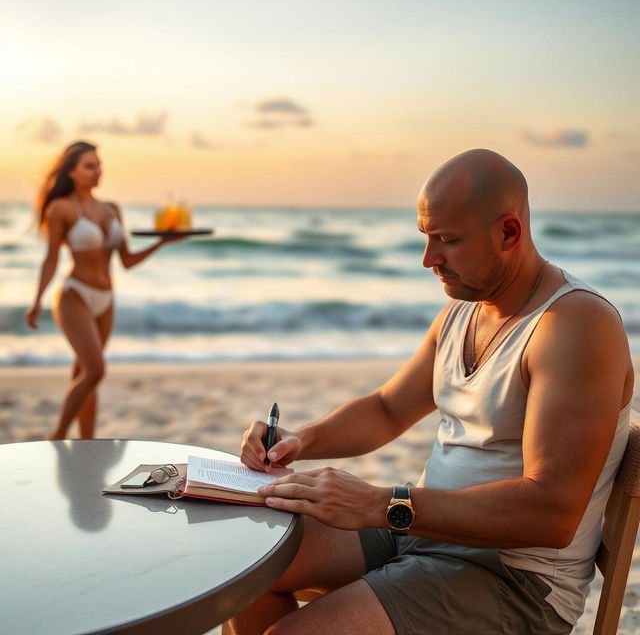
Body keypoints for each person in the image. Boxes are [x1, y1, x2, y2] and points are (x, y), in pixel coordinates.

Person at [230, 149, 634, 635]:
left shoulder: (573, 325)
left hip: (510, 579)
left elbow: (551, 512)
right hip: (421, 529)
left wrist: (382, 503)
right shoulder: (463, 310)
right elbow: (385, 409)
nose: (428, 260)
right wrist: (301, 440)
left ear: (509, 232)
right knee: (244, 567)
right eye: (426, 238)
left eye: (447, 240)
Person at [26, 141, 185, 440]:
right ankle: (57, 435)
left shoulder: (112, 208)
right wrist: (36, 301)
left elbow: (126, 260)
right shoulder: (60, 208)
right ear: (71, 171)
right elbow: (51, 259)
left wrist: (162, 242)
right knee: (95, 370)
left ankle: (86, 442)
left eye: (99, 165)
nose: (97, 171)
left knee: (85, 374)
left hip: (106, 299)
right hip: (75, 295)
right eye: (89, 166)